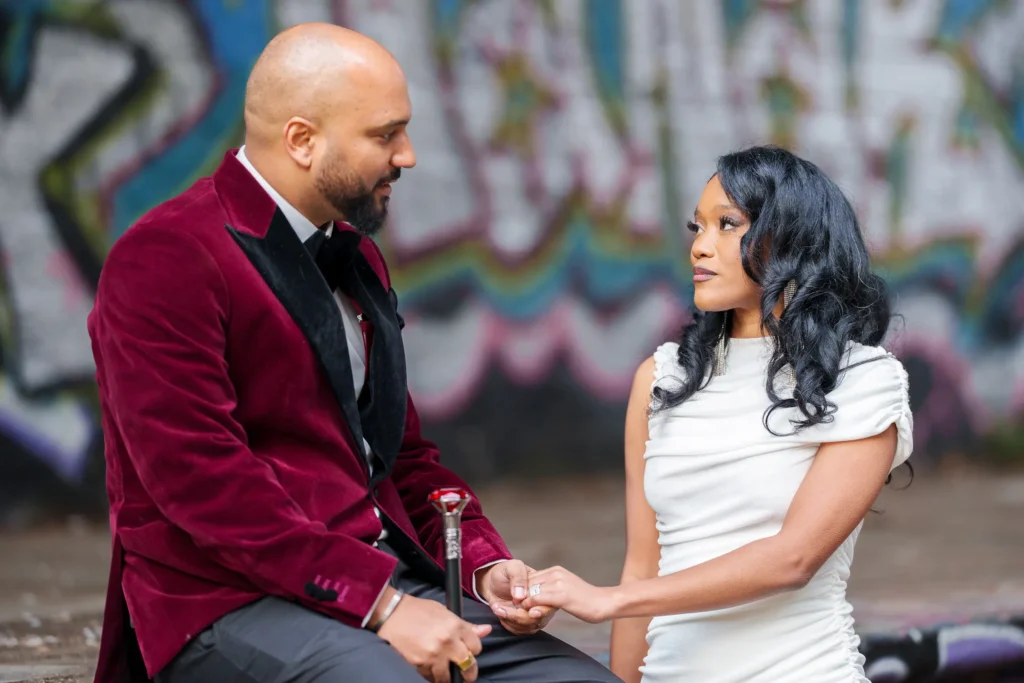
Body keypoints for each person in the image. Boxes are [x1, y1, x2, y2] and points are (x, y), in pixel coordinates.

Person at [87, 22, 621, 683]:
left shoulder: (356, 254)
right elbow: (202, 483)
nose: (409, 154)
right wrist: (383, 603)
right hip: (226, 603)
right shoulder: (164, 255)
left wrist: (485, 563)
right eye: (385, 134)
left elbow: (401, 457)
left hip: (385, 587)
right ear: (302, 141)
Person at [518, 146, 914, 682]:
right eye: (697, 227)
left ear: (793, 239)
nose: (700, 247)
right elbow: (643, 567)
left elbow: (791, 560)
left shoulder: (864, 382)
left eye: (728, 225)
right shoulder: (662, 380)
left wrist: (606, 600)